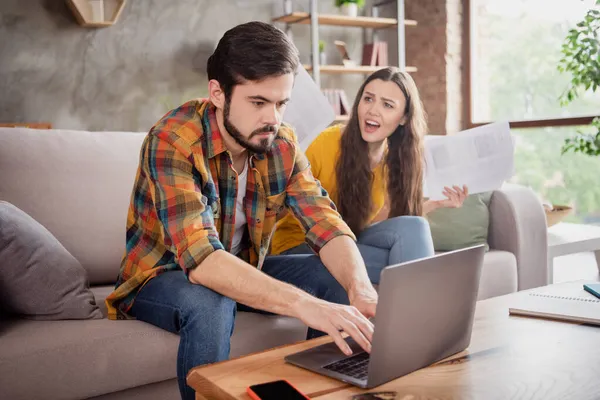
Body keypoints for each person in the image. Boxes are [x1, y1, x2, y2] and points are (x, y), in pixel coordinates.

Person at [104, 21, 379, 400]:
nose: (273, 118)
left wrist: (360, 288)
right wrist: (305, 305)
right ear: (217, 93)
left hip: (245, 263)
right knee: (212, 300)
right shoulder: (172, 141)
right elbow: (203, 261)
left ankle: (322, 393)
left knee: (333, 282)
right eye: (258, 102)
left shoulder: (279, 141)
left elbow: (324, 220)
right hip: (161, 274)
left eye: (281, 103)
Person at [271, 67, 468, 284]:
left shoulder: (394, 160)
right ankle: (424, 316)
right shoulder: (326, 143)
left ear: (403, 118)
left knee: (414, 226)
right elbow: (287, 205)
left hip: (346, 240)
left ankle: (416, 315)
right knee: (406, 264)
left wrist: (435, 204)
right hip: (299, 248)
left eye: (387, 105)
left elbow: (367, 225)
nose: (373, 110)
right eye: (368, 99)